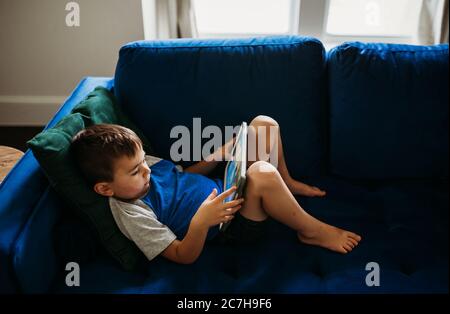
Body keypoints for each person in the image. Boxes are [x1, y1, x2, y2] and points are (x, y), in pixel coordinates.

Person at [71, 115, 361, 264]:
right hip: (230, 225)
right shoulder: (132, 213)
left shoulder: (146, 166)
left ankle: (287, 182)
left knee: (263, 125)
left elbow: (182, 175)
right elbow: (182, 255)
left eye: (142, 161)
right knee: (260, 174)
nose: (146, 169)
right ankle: (312, 231)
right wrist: (201, 221)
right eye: (135, 171)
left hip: (226, 187)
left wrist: (222, 153)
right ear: (105, 189)